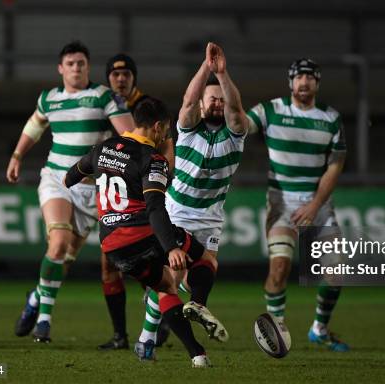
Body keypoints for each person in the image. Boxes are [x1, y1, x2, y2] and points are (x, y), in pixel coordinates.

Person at [64, 95, 217, 367]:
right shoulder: (152, 159)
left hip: (112, 246)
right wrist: (170, 248)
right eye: (166, 130)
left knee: (166, 286)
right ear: (157, 127)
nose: (166, 135)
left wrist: (103, 178)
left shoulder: (103, 149)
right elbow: (156, 208)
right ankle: (197, 304)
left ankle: (197, 355)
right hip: (142, 234)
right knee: (206, 260)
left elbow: (70, 178)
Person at [7, 41, 135, 343]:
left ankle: (36, 297)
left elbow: (129, 135)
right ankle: (44, 323)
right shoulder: (49, 99)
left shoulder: (103, 96)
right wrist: (17, 156)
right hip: (57, 179)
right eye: (71, 63)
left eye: (81, 63)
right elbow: (34, 128)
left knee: (63, 262)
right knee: (59, 242)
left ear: (87, 67)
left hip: (92, 191)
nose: (76, 68)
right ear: (61, 68)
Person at [137, 42, 248, 357]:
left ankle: (193, 307)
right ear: (201, 105)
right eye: (212, 99)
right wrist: (206, 67)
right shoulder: (185, 130)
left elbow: (237, 111)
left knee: (203, 268)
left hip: (211, 217)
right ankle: (147, 338)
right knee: (173, 278)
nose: (217, 104)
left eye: (221, 101)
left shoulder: (236, 135)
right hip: (176, 213)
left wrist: (223, 76)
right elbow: (187, 99)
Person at [246, 58, 349, 352]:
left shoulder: (330, 118)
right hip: (282, 204)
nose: (304, 82)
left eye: (310, 77)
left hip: (318, 206)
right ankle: (275, 331)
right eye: (298, 77)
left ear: (317, 83)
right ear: (290, 82)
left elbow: (335, 166)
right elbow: (240, 125)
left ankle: (319, 329)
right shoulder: (270, 110)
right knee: (279, 268)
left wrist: (315, 205)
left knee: (337, 271)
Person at [97, 53, 175, 351]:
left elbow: (166, 145)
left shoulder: (147, 108)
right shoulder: (99, 104)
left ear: (134, 78)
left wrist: (161, 178)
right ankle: (121, 335)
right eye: (115, 74)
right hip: (110, 196)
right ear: (108, 78)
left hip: (142, 196)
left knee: (145, 261)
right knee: (109, 265)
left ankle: (158, 319)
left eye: (126, 74)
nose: (120, 78)